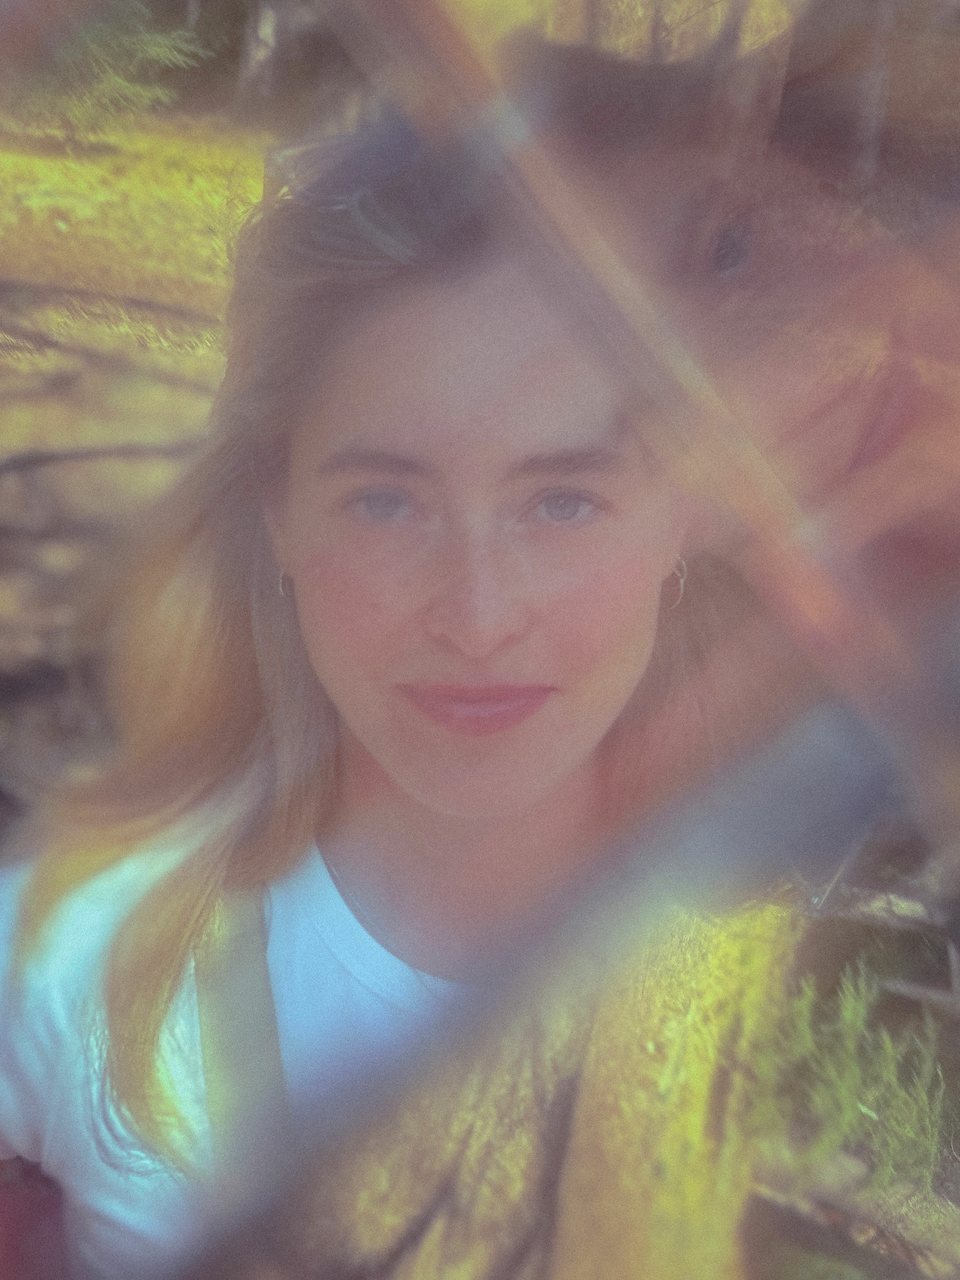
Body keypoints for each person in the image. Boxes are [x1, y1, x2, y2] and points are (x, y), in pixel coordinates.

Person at [2, 15, 960, 1280]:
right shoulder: (72, 951)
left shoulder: (749, 941)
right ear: (278, 512)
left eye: (562, 498)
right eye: (386, 499)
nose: (479, 612)